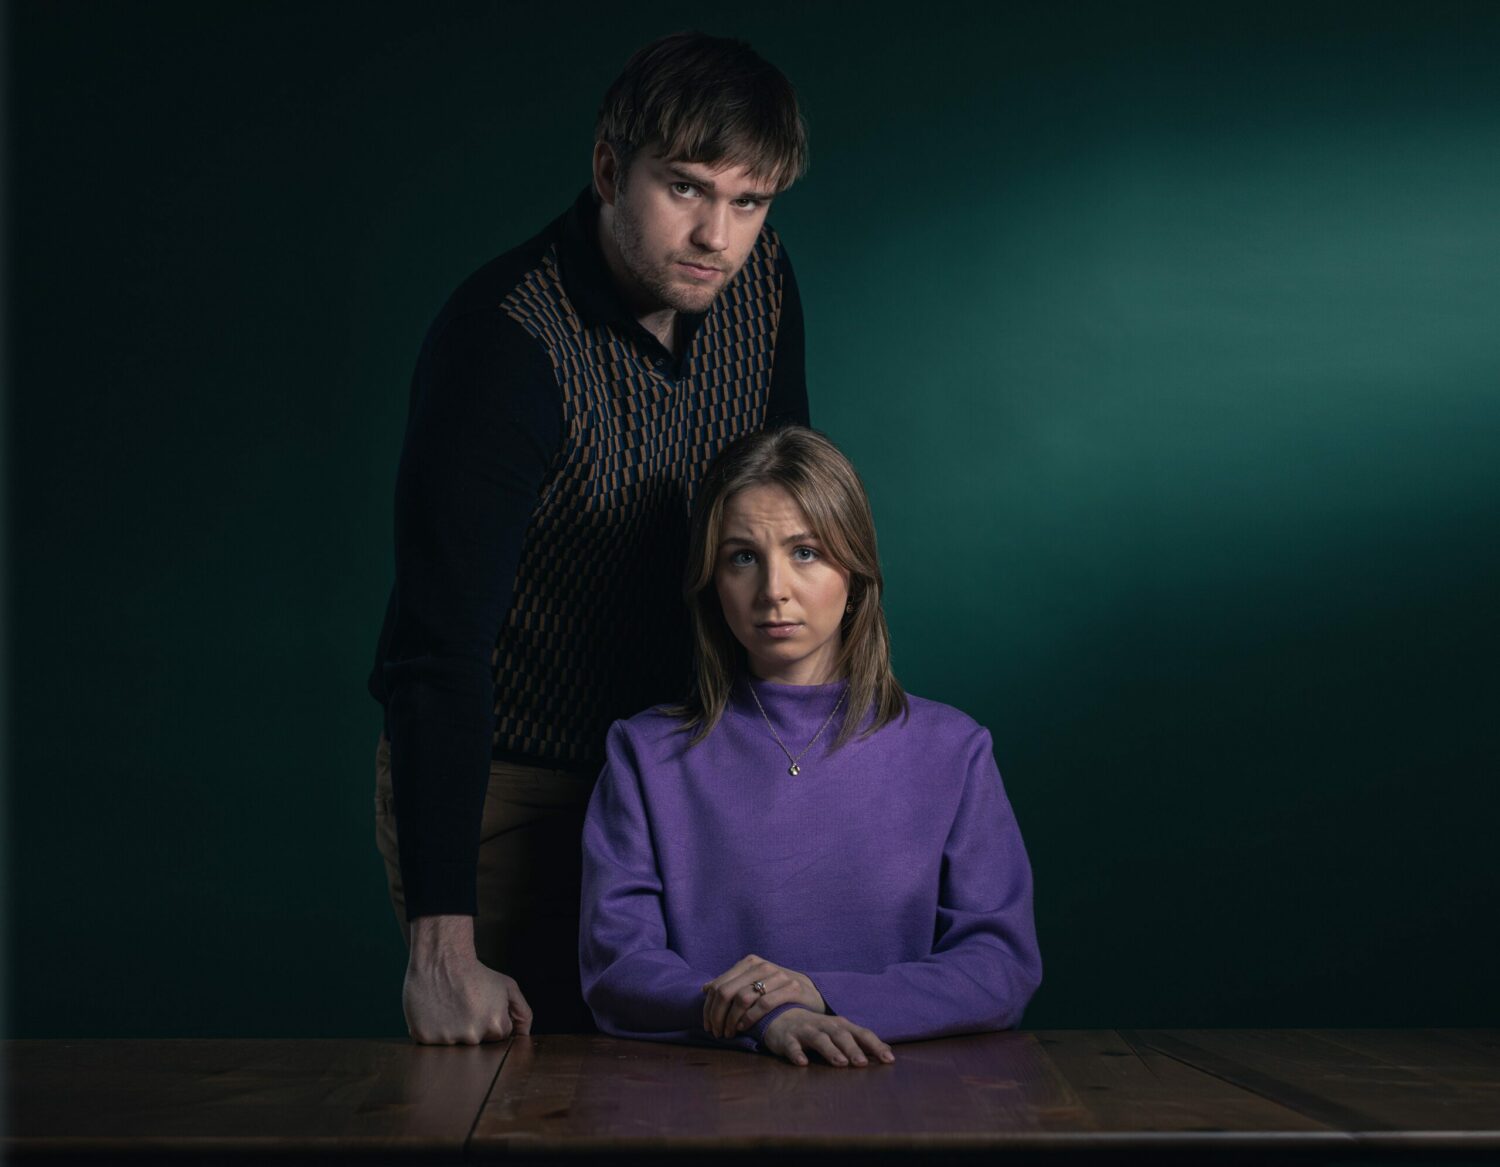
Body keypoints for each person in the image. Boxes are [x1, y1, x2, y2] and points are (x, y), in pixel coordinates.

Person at [369, 33, 810, 1044]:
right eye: (687, 188)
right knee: (538, 1090)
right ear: (611, 169)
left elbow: (782, 523)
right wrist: (440, 953)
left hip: (686, 765)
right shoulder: (505, 340)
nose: (717, 236)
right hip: (515, 779)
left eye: (750, 202)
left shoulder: (764, 282)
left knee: (710, 1079)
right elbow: (438, 653)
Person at [580, 427, 1042, 1067]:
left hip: (907, 1098)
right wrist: (766, 1015)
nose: (773, 589)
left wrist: (820, 995)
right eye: (742, 556)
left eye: (806, 552)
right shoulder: (644, 753)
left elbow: (1001, 967)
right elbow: (617, 969)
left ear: (854, 569)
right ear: (711, 580)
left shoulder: (954, 749)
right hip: (702, 1104)